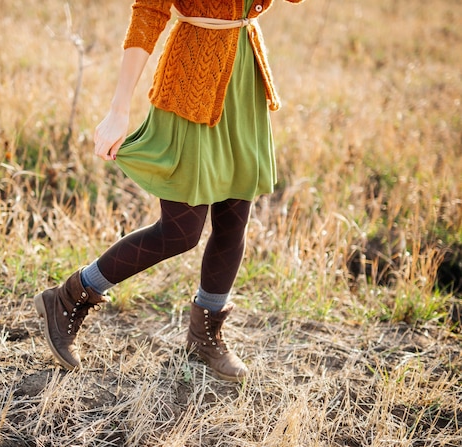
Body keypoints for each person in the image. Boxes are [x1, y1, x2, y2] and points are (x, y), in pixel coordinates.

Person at [34, 0, 306, 382]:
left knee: (233, 221)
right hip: (192, 79)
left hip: (244, 79)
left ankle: (205, 337)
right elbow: (149, 12)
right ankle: (70, 296)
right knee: (180, 231)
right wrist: (118, 108)